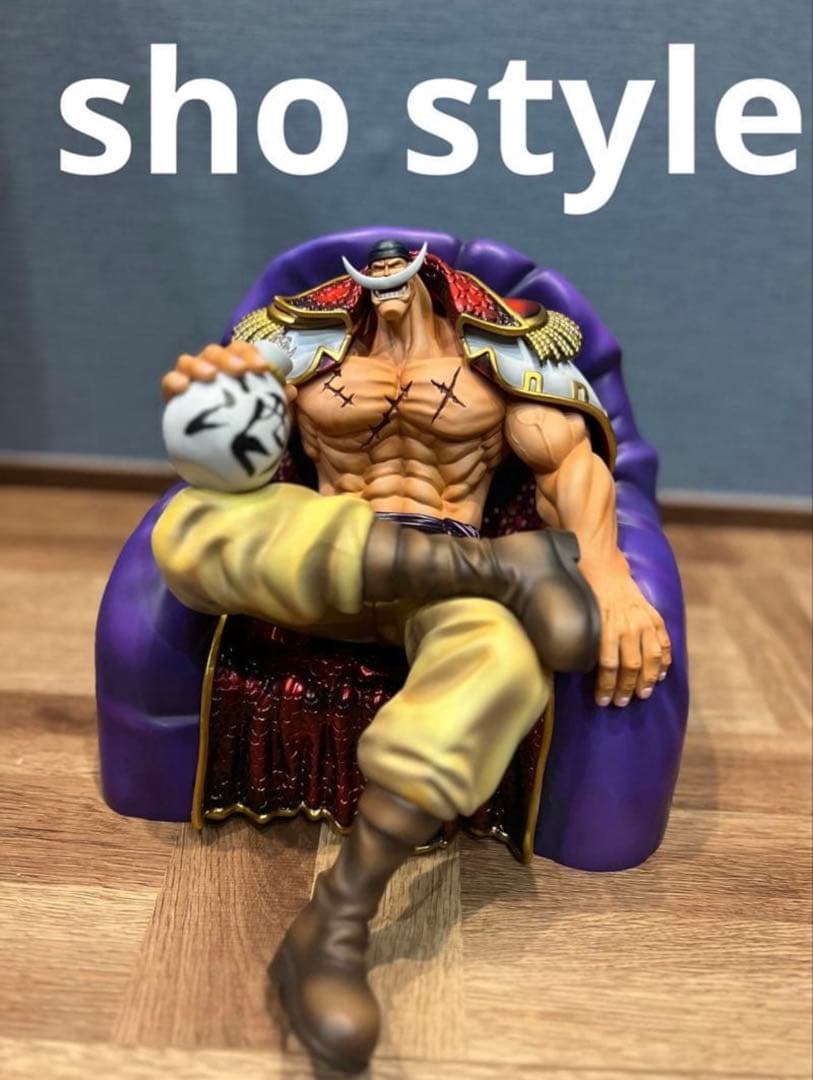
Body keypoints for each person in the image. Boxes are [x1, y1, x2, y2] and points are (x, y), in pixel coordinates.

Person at [153, 238, 672, 1071]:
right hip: (322, 569)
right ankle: (505, 569)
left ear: (436, 275)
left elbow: (568, 466)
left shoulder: (503, 348)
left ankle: (334, 926)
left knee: (505, 655)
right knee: (188, 529)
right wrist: (202, 412)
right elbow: (227, 472)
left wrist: (609, 577)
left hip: (443, 583)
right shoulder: (292, 341)